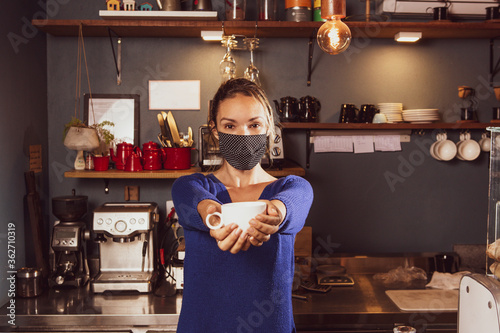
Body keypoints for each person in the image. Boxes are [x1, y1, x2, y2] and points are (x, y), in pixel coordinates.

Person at [171, 78, 313, 333]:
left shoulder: (290, 187)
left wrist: (275, 214)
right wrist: (212, 215)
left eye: (254, 124)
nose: (244, 135)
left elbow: (294, 203)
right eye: (230, 125)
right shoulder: (192, 186)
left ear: (269, 127)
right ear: (215, 130)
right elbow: (192, 199)